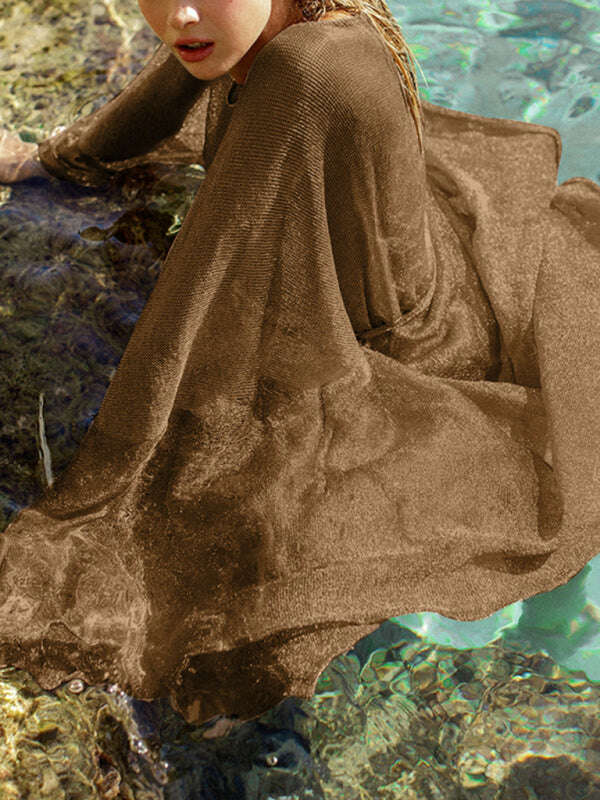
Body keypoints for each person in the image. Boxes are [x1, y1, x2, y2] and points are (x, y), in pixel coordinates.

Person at [0, 0, 599, 732]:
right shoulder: (257, 20)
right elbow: (172, 81)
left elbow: (206, 289)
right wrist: (57, 159)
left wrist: (114, 479)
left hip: (404, 349)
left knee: (237, 546)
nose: (178, 14)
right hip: (422, 276)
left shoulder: (307, 67)